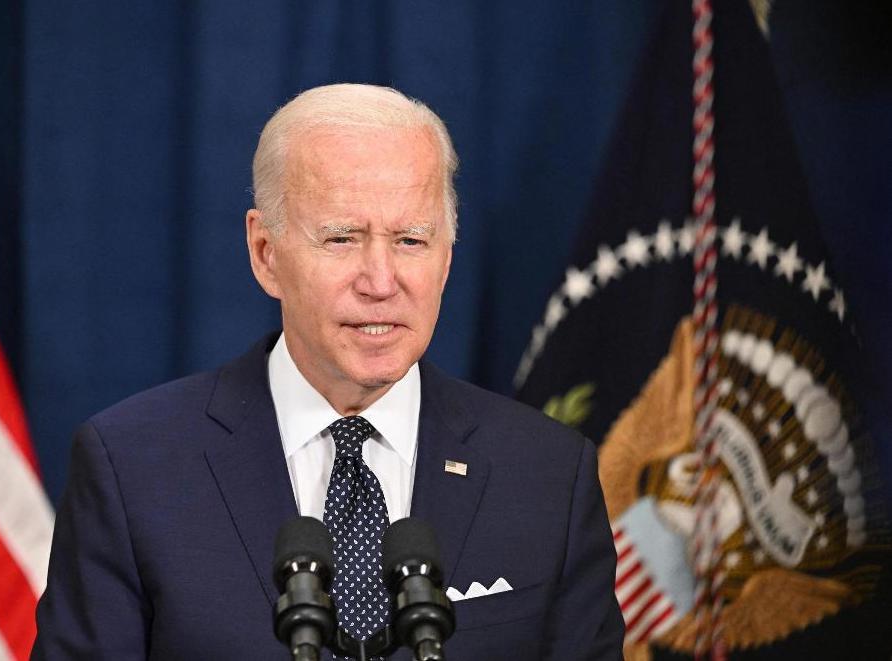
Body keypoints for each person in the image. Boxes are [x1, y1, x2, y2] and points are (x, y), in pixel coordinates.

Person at [32, 84, 624, 659]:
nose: (381, 281)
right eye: (342, 239)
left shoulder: (548, 474)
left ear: (447, 257)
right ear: (265, 254)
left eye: (412, 240)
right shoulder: (134, 468)